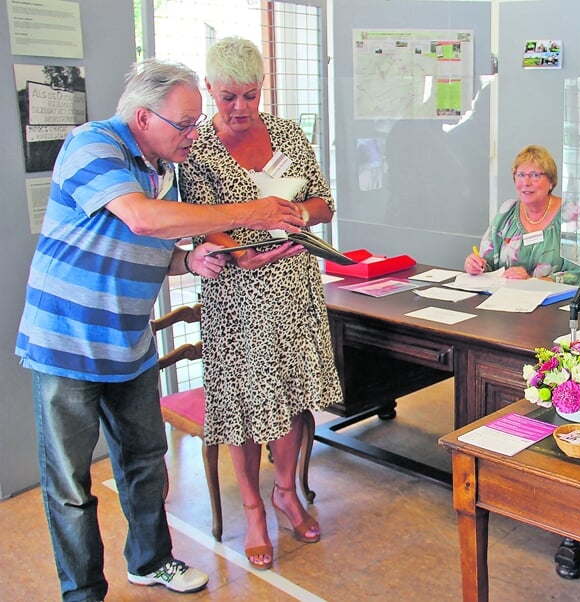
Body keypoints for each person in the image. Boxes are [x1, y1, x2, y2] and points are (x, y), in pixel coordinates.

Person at [15, 58, 305, 601]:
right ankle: (82, 592)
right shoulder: (91, 144)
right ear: (144, 118)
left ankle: (150, 561)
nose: (197, 135)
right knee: (71, 487)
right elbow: (142, 219)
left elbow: (152, 247)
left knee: (146, 465)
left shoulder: (163, 171)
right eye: (187, 124)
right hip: (66, 346)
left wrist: (193, 264)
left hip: (130, 344)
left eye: (198, 123)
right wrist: (254, 213)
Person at [177, 37, 343, 571]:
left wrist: (293, 213)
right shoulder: (196, 148)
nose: (240, 108)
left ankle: (286, 492)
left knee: (293, 396)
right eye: (228, 97)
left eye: (250, 95)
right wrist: (240, 243)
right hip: (236, 295)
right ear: (208, 89)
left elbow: (324, 202)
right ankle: (252, 509)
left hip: (293, 286)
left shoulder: (289, 134)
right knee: (242, 407)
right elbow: (196, 224)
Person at [463, 145, 580, 285]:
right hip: (506, 299)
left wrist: (532, 282)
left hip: (556, 304)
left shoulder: (570, 216)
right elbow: (488, 264)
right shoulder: (507, 212)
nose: (526, 183)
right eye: (521, 175)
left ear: (551, 181)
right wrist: (476, 265)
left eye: (535, 175)